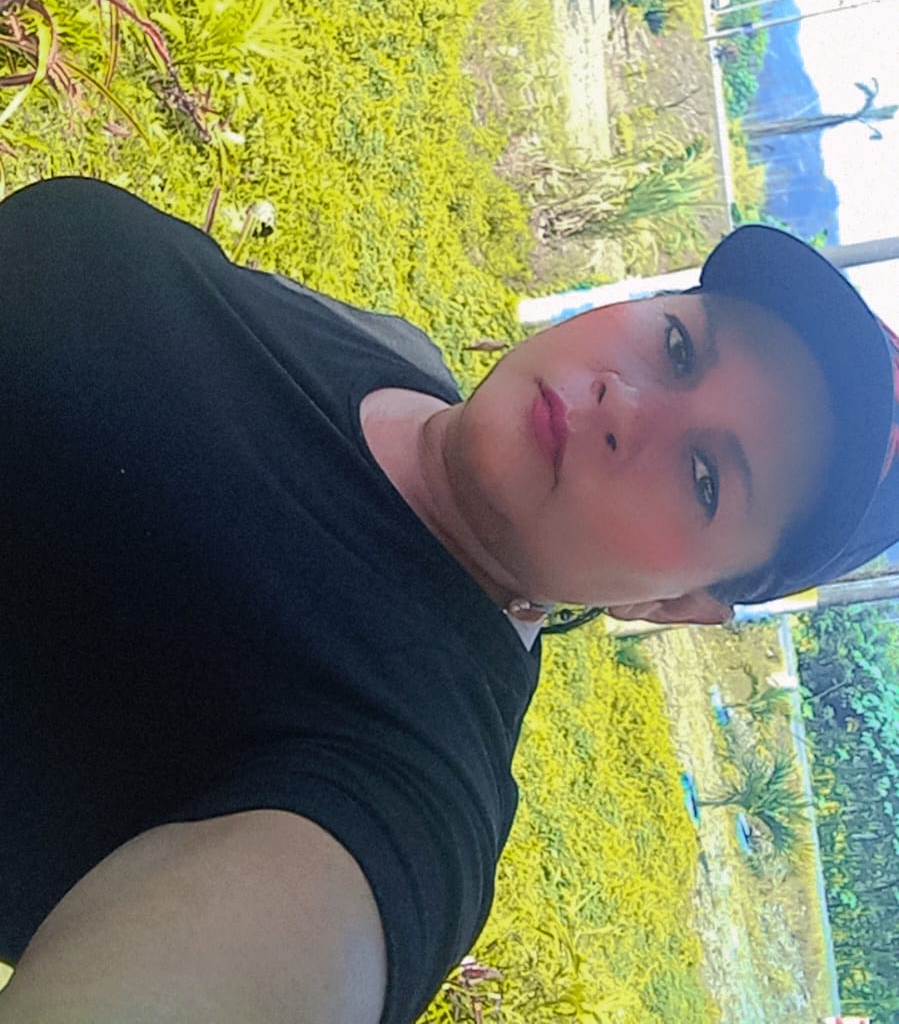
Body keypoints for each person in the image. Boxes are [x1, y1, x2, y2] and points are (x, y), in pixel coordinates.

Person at [0, 175, 896, 1023]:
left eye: (703, 476)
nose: (624, 400)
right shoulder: (394, 356)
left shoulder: (411, 783)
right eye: (678, 347)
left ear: (679, 604)